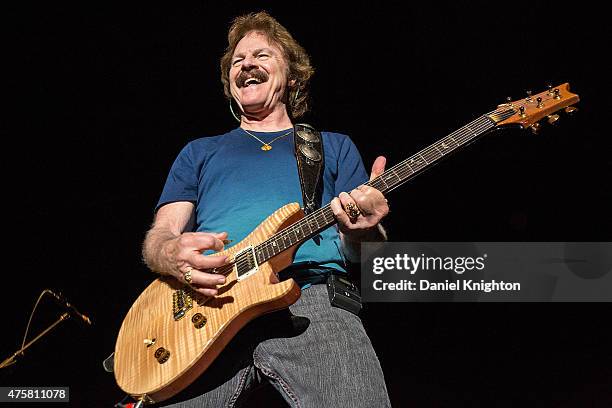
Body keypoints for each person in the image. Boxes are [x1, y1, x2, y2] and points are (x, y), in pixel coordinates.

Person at [142, 11, 391, 407]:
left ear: (292, 76)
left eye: (262, 55)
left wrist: (363, 229)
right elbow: (159, 238)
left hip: (310, 298)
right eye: (238, 61)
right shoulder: (199, 152)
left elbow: (365, 253)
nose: (247, 65)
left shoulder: (334, 146)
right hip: (208, 308)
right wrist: (170, 254)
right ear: (229, 83)